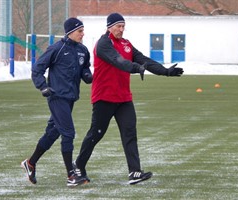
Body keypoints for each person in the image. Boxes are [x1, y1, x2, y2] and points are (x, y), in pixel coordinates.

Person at [70, 13, 184, 186]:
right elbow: (119, 61)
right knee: (96, 134)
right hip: (104, 97)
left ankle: (135, 172)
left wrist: (165, 71)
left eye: (123, 26)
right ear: (109, 26)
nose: (121, 30)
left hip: (123, 99)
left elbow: (144, 60)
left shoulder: (126, 44)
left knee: (130, 133)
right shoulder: (103, 44)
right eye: (118, 26)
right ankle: (78, 165)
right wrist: (136, 68)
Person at [21, 17, 93, 187]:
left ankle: (30, 163)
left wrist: (88, 76)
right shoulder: (57, 49)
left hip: (71, 98)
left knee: (53, 133)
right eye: (79, 31)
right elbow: (37, 69)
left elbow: (85, 68)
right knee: (68, 133)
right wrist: (43, 86)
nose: (83, 34)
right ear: (70, 32)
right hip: (57, 97)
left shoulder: (83, 50)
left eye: (83, 30)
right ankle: (71, 176)